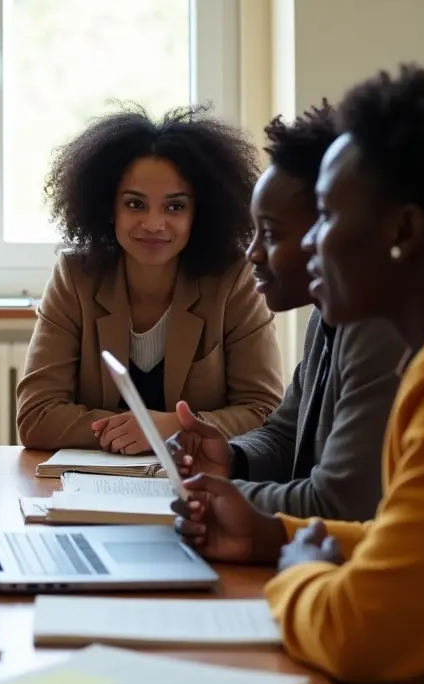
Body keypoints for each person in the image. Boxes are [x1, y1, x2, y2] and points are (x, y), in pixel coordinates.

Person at [172, 66, 424, 684]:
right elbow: (416, 548)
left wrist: (295, 569)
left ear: (403, 231)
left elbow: (358, 629)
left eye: (329, 218)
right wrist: (276, 533)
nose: (311, 246)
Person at [167, 104, 404, 518]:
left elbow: (339, 504)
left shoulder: (379, 328)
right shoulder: (326, 315)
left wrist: (216, 500)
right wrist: (232, 459)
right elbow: (285, 433)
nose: (252, 252)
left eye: (272, 234)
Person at [16, 106, 283, 451]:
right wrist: (136, 429)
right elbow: (36, 417)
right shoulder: (76, 277)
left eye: (175, 207)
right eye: (135, 204)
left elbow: (266, 412)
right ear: (107, 209)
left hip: (196, 484)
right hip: (90, 488)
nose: (154, 223)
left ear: (200, 213)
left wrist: (175, 427)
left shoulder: (234, 279)